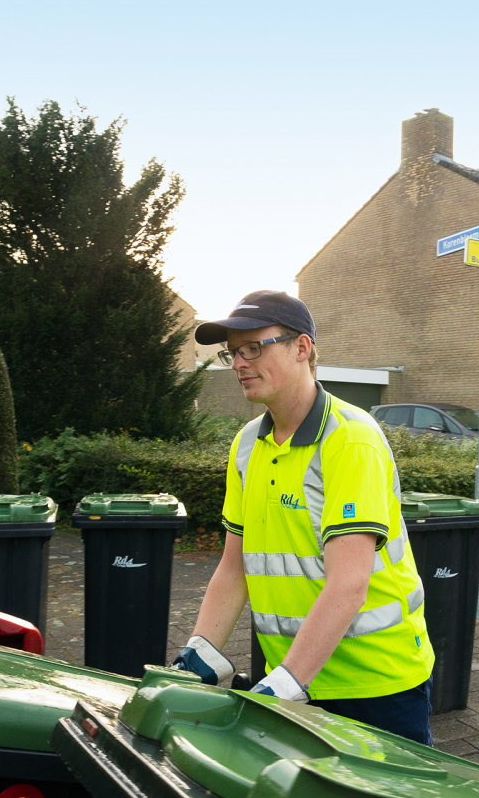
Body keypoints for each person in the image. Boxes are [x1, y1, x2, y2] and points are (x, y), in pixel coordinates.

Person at [172, 290, 435, 744]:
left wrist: (287, 682)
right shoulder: (247, 446)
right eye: (232, 352)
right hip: (293, 679)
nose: (238, 362)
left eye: (254, 347)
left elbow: (348, 583)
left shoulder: (350, 442)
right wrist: (201, 649)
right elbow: (235, 568)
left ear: (302, 348)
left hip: (375, 683)